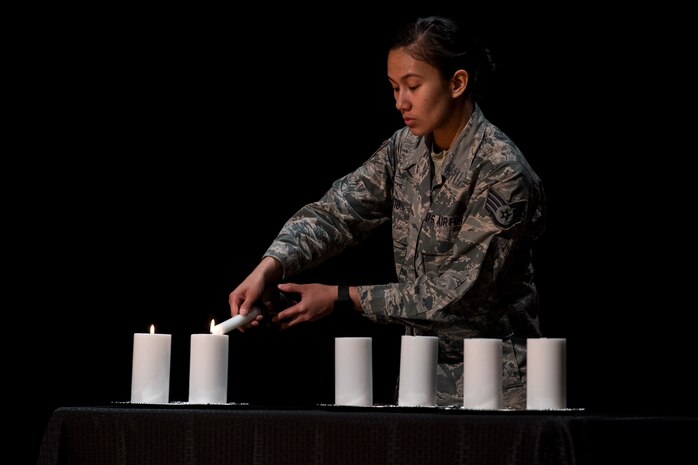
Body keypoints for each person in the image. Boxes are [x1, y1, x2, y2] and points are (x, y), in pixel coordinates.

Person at [229, 15, 546, 409]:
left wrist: (343, 297)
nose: (400, 102)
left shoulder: (501, 171)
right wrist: (271, 265)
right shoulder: (405, 149)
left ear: (457, 83)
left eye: (413, 86)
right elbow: (337, 212)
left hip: (497, 391)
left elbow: (460, 296)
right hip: (420, 382)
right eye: (394, 88)